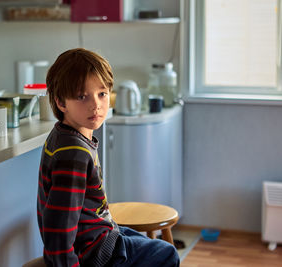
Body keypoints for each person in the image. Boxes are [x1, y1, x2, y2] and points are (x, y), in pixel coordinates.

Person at [37, 48, 180, 267]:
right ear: (61, 102)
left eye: (102, 94)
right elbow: (59, 232)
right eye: (82, 96)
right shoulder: (73, 154)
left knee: (141, 240)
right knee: (168, 254)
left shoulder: (65, 134)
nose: (96, 104)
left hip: (100, 234)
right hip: (94, 252)